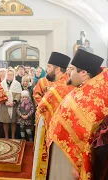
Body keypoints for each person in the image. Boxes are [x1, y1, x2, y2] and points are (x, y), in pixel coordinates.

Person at [47, 49, 107, 180]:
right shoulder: (82, 90)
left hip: (70, 162)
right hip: (62, 153)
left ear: (84, 73)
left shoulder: (90, 98)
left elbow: (86, 135)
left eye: (72, 69)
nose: (68, 72)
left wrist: (77, 164)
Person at [32, 52, 73, 180]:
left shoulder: (59, 87)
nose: (46, 69)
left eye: (49, 66)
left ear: (57, 69)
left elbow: (42, 108)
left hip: (56, 133)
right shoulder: (65, 83)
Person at [0, 68, 22, 139]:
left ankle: (13, 136)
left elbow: (19, 94)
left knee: (13, 122)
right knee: (5, 121)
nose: (10, 76)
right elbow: (0, 94)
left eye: (11, 75)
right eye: (8, 74)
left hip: (14, 105)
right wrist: (5, 101)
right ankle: (6, 135)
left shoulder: (17, 84)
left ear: (14, 75)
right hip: (4, 105)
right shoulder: (2, 84)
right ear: (6, 75)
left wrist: (14, 101)